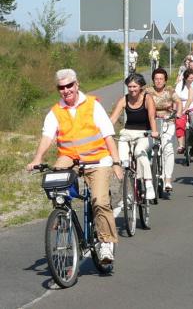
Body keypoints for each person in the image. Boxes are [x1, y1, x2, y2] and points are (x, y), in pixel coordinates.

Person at [27, 68, 122, 263]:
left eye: (70, 85)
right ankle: (63, 215)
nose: (66, 90)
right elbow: (47, 136)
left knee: (100, 201)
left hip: (98, 158)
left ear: (77, 84)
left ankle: (105, 244)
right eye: (61, 87)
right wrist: (37, 158)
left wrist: (116, 162)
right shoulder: (55, 112)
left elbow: (108, 136)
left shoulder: (93, 106)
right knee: (56, 181)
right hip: (70, 157)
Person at [110, 73, 159, 199]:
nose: (132, 89)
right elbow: (113, 118)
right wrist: (104, 131)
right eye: (129, 87)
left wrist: (154, 132)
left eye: (134, 86)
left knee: (139, 152)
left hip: (144, 133)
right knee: (124, 159)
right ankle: (129, 181)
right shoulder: (124, 99)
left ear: (141, 87)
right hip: (127, 132)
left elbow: (152, 117)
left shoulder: (147, 98)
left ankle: (148, 183)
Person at [146, 68, 182, 193]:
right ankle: (147, 177)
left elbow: (178, 102)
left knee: (168, 148)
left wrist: (178, 113)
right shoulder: (147, 92)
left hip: (168, 122)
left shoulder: (170, 90)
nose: (159, 81)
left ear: (165, 80)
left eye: (161, 79)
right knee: (148, 148)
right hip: (152, 122)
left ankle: (167, 180)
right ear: (153, 80)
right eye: (156, 79)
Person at [174, 69, 193, 153]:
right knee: (179, 123)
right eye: (190, 78)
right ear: (186, 78)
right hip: (181, 106)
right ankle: (181, 145)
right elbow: (176, 98)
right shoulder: (180, 85)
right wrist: (176, 109)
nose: (192, 80)